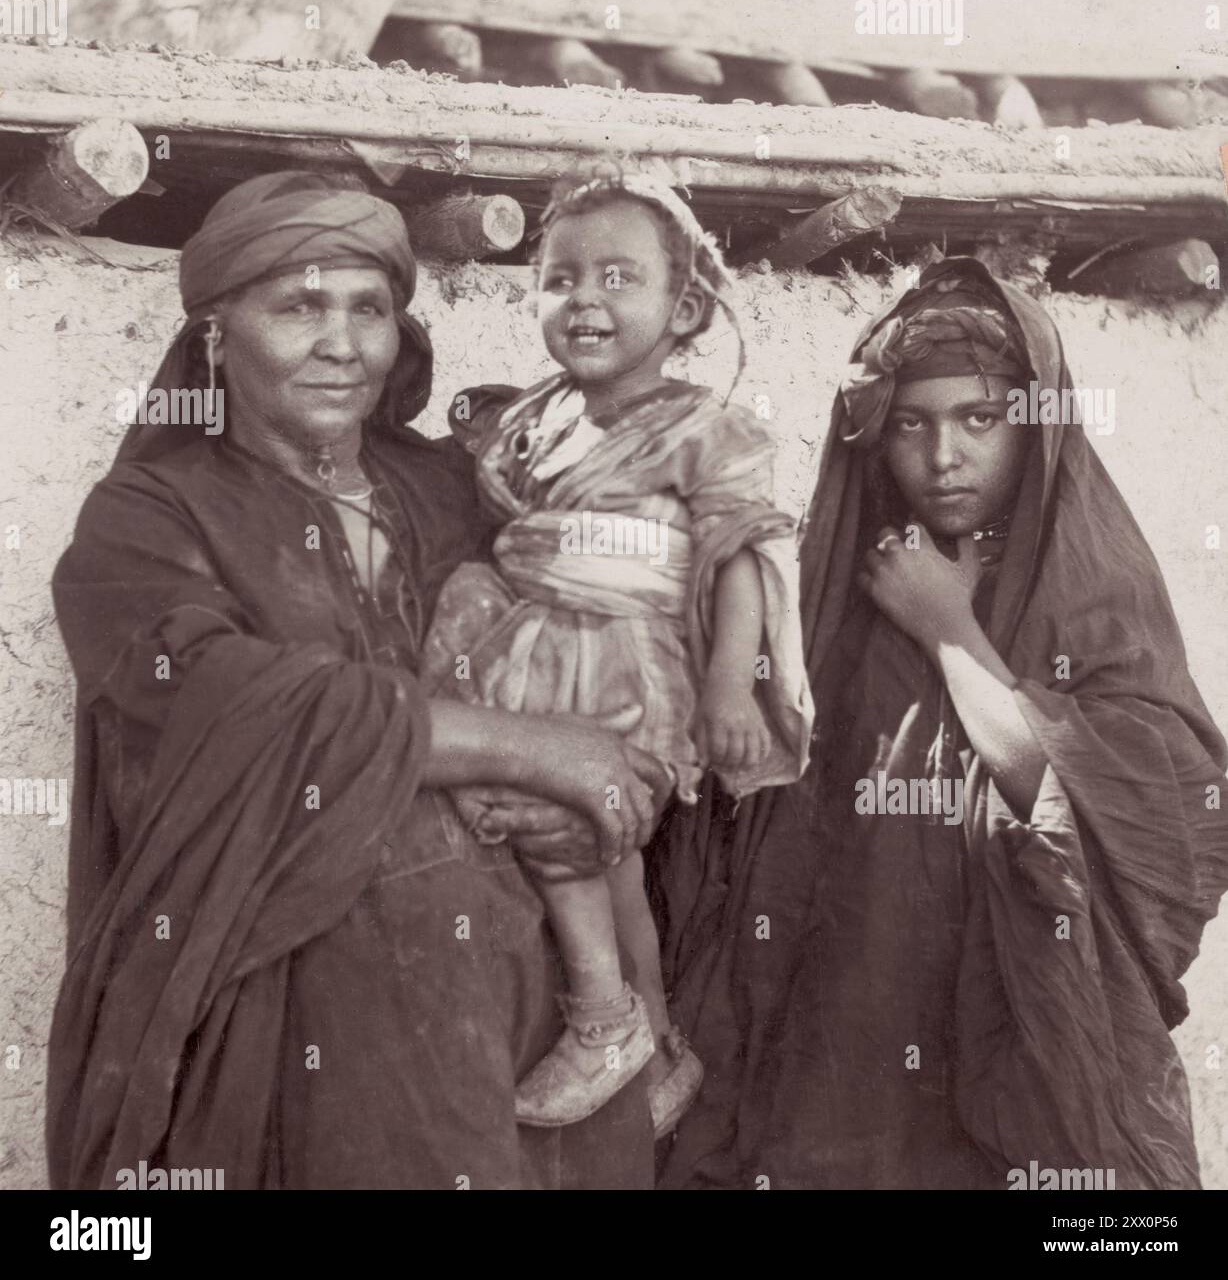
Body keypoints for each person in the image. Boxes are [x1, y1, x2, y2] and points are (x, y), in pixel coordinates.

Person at [47, 171, 671, 1190]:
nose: (340, 342)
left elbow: (580, 643)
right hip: (299, 1018)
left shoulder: (447, 490)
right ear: (216, 330)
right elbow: (226, 698)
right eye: (298, 305)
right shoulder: (150, 516)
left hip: (528, 1011)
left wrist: (590, 792)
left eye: (367, 308)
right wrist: (542, 752)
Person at [653, 257, 1228, 1189]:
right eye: (911, 425)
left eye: (979, 419)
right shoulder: (837, 597)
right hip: (851, 1035)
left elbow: (1152, 821)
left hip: (1022, 1043)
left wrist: (950, 627)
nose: (943, 456)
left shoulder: (1090, 596)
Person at [422, 173, 813, 1135]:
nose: (584, 299)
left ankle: (605, 1019)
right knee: (617, 869)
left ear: (683, 309)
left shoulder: (703, 430)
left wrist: (730, 687)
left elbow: (739, 563)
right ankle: (665, 1042)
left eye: (616, 278)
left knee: (571, 834)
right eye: (560, 280)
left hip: (625, 662)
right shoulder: (541, 417)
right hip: (535, 644)